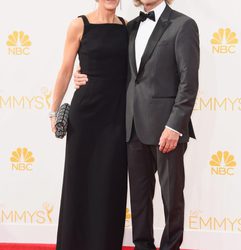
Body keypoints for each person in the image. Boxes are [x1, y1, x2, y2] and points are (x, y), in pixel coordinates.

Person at [74, 0, 200, 249]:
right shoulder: (129, 27)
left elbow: (189, 81)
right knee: (140, 201)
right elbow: (111, 64)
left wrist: (175, 126)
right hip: (132, 128)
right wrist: (82, 72)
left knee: (171, 199)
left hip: (167, 129)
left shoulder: (183, 25)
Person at [49, 0, 128, 249]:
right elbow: (65, 69)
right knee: (79, 182)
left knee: (110, 183)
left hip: (116, 116)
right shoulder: (79, 25)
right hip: (85, 117)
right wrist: (53, 112)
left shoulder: (127, 27)